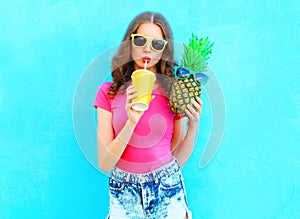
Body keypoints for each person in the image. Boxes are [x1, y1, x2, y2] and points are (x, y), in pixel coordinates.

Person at [94, 11, 202, 219]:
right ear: (130, 43)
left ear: (164, 50)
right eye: (141, 40)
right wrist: (131, 122)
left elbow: (175, 159)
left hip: (167, 188)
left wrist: (194, 125)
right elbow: (105, 163)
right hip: (123, 191)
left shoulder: (174, 91)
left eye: (157, 44)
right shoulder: (108, 93)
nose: (148, 49)